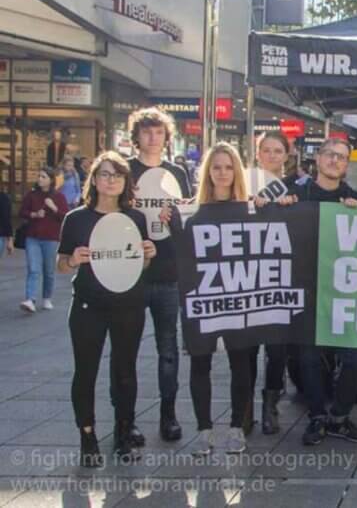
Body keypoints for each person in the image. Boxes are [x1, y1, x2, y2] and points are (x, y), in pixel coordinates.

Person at [58, 152, 156, 466]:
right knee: (86, 371)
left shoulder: (137, 218)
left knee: (125, 372)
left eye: (117, 174)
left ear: (126, 181)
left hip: (128, 304)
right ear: (94, 180)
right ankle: (87, 437)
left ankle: (123, 433)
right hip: (88, 304)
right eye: (104, 174)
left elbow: (139, 265)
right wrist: (72, 259)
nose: (111, 179)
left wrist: (149, 254)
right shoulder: (76, 219)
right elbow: (61, 264)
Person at [274, 138, 357, 446]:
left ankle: (340, 416)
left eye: (341, 157)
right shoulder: (296, 195)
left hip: (344, 291)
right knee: (309, 358)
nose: (334, 160)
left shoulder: (355, 199)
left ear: (347, 164)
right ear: (318, 158)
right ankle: (317, 417)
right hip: (305, 287)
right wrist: (282, 208)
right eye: (329, 154)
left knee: (355, 359)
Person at [179, 143, 255, 455]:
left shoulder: (250, 211)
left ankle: (237, 427)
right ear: (207, 172)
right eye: (216, 167)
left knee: (242, 362)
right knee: (200, 361)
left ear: (236, 171)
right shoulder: (193, 216)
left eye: (227, 167)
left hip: (238, 298)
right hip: (203, 299)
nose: (222, 173)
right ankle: (204, 430)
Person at [126, 107, 192, 443]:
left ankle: (169, 415)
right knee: (127, 351)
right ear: (136, 136)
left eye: (158, 132)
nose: (153, 137)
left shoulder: (176, 173)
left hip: (168, 271)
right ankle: (127, 421)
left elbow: (189, 216)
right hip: (130, 273)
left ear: (167, 137)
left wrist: (175, 218)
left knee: (168, 350)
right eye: (146, 132)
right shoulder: (123, 171)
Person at [248, 131, 299, 435]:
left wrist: (288, 205)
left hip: (281, 278)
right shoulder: (242, 185)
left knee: (277, 348)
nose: (271, 156)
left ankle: (270, 404)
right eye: (266, 150)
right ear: (258, 154)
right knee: (248, 347)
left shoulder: (296, 189)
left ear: (286, 155)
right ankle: (245, 407)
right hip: (248, 276)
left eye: (277, 151)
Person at [19, 167, 69, 313]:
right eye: (39, 176)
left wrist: (53, 208)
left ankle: (47, 297)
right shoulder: (31, 195)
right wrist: (34, 214)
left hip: (51, 238)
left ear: (51, 180)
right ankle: (30, 299)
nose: (39, 179)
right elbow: (22, 212)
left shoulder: (59, 197)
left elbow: (65, 217)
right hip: (32, 237)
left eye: (43, 177)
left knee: (48, 270)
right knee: (33, 269)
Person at [0, 186, 12, 257]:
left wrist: (10, 239)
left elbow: (6, 219)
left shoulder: (3, 198)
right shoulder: (4, 198)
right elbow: (6, 219)